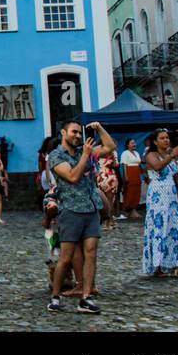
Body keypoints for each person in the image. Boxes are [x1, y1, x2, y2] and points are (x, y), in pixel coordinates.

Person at [48, 120, 113, 314]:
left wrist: (100, 128)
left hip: (91, 207)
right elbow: (73, 177)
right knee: (66, 258)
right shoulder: (56, 155)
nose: (77, 136)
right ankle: (55, 296)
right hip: (71, 209)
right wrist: (85, 155)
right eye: (74, 132)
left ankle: (86, 296)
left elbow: (110, 146)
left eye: (79, 133)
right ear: (64, 133)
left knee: (91, 252)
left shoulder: (85, 151)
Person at [141, 128, 178, 280]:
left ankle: (173, 264)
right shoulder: (151, 155)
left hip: (171, 196)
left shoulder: (169, 155)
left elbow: (176, 177)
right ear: (155, 141)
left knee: (172, 228)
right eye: (162, 138)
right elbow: (157, 167)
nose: (166, 140)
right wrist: (172, 156)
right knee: (159, 228)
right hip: (158, 196)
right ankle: (157, 265)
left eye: (167, 137)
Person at [95, 139, 119, 230]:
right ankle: (108, 222)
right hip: (110, 176)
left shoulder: (97, 151)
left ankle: (107, 221)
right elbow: (116, 165)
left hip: (100, 176)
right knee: (110, 200)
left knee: (103, 200)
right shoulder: (113, 152)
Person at [120, 138, 143, 219]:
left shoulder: (136, 153)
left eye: (134, 143)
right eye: (132, 143)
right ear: (128, 145)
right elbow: (124, 165)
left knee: (137, 191)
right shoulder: (125, 153)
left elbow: (139, 164)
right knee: (130, 191)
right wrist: (126, 176)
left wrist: (143, 173)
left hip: (137, 173)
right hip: (130, 173)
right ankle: (127, 210)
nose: (134, 144)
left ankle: (134, 209)